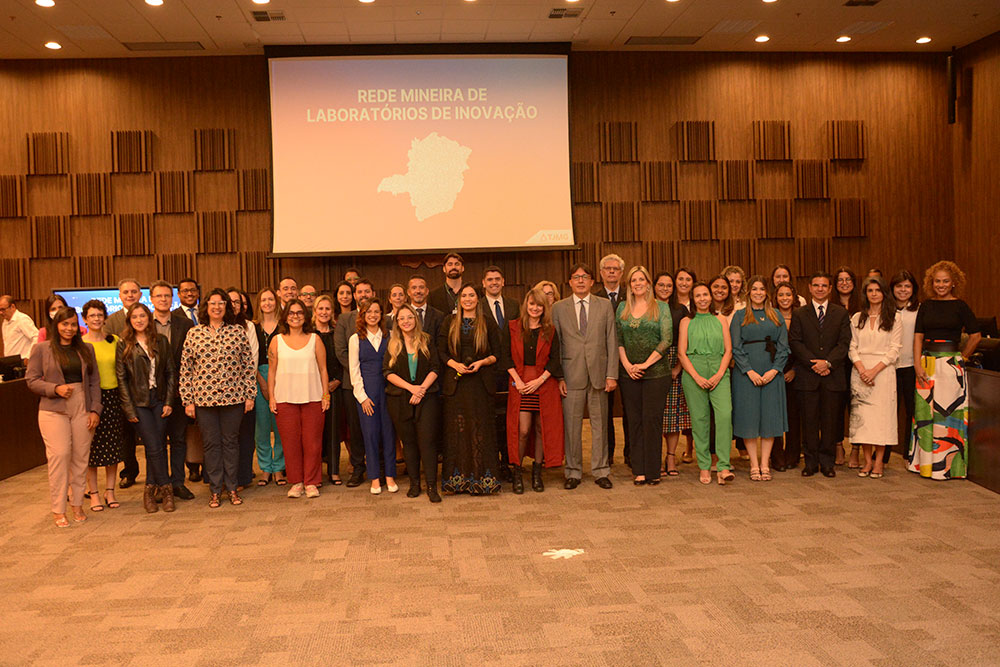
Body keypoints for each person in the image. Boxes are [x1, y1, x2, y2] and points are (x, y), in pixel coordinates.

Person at [179, 288, 256, 508]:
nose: (217, 307)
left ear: (226, 307)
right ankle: (215, 490)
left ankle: (232, 488)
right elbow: (186, 369)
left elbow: (248, 367)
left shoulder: (237, 332)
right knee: (211, 445)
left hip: (234, 398)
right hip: (204, 401)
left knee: (231, 443)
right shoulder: (194, 333)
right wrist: (188, 400)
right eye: (212, 303)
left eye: (221, 303)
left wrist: (250, 395)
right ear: (206, 307)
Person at [26, 306, 102, 527]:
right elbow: (31, 381)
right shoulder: (42, 349)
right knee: (60, 455)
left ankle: (77, 505)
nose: (68, 328)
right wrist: (55, 388)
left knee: (80, 457)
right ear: (56, 325)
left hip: (82, 405)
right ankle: (58, 509)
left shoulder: (86, 348)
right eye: (64, 324)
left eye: (72, 324)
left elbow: (94, 382)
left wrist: (95, 409)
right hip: (53, 408)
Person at [909, 261, 981, 480]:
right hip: (927, 363)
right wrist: (917, 364)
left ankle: (948, 467)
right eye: (937, 281)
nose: (941, 285)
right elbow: (918, 337)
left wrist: (962, 357)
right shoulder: (927, 306)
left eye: (945, 281)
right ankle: (924, 465)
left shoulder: (961, 306)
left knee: (948, 415)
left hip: (951, 366)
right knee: (924, 414)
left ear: (953, 283)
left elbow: (976, 336)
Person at [551, 264, 617, 490]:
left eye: (585, 277)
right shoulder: (558, 308)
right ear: (569, 282)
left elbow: (611, 340)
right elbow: (555, 345)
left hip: (599, 373)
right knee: (572, 426)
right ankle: (573, 471)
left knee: (600, 426)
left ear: (592, 282)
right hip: (570, 374)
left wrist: (611, 374)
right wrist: (559, 377)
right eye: (576, 277)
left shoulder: (605, 306)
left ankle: (600, 470)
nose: (580, 281)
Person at [438, 284, 502, 495]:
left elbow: (497, 354)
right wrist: (454, 365)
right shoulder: (449, 322)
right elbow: (440, 352)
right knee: (457, 430)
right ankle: (458, 480)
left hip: (480, 385)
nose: (467, 299)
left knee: (480, 429)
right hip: (456, 385)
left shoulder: (488, 323)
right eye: (463, 295)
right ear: (459, 300)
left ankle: (482, 479)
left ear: (478, 298)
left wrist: (482, 362)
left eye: (471, 295)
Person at [788, 272, 852, 478]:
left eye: (824, 285)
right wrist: (813, 364)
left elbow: (844, 344)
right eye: (816, 285)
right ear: (809, 287)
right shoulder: (799, 313)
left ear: (830, 288)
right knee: (809, 422)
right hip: (808, 376)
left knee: (830, 421)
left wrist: (828, 363)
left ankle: (827, 462)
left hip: (833, 377)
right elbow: (795, 342)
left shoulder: (840, 313)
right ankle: (810, 462)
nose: (820, 289)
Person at [116, 303, 177, 513]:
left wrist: (169, 401)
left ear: (149, 318)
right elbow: (122, 379)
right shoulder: (124, 344)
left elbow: (170, 373)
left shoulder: (161, 341)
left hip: (159, 399)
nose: (139, 320)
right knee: (153, 445)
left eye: (143, 316)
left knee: (158, 445)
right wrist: (129, 409)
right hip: (138, 402)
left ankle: (151, 489)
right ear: (130, 321)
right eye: (135, 317)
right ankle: (165, 489)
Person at [503, 288, 563, 494]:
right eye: (532, 304)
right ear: (525, 306)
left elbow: (555, 360)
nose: (535, 308)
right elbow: (505, 357)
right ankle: (517, 473)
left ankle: (537, 473)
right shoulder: (512, 327)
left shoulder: (550, 330)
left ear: (543, 308)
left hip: (544, 384)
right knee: (523, 430)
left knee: (541, 429)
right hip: (520, 383)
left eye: (539, 305)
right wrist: (517, 381)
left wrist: (540, 380)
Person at [616, 266, 672, 486]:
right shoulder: (622, 308)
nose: (637, 283)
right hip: (628, 373)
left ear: (648, 283)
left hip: (656, 373)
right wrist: (629, 366)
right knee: (634, 421)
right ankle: (638, 469)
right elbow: (618, 340)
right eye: (633, 280)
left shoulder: (661, 307)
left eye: (641, 279)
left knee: (652, 420)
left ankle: (653, 470)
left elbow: (666, 340)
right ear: (629, 285)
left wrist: (645, 364)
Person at [268, 298, 329, 499]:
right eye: (292, 313)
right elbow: (272, 371)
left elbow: (323, 369)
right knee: (290, 442)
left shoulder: (315, 339)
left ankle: (311, 482)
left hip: (312, 397)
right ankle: (296, 482)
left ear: (306, 316)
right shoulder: (276, 340)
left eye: (300, 313)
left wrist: (325, 394)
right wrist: (272, 396)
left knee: (312, 442)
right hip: (285, 399)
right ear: (285, 317)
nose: (295, 316)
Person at [730, 276, 789, 481]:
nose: (758, 293)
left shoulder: (776, 315)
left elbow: (784, 347)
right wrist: (749, 371)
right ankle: (754, 464)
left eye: (761, 289)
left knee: (770, 419)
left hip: (772, 373)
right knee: (749, 417)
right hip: (746, 374)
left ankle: (765, 463)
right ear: (749, 292)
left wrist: (775, 370)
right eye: (754, 289)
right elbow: (735, 348)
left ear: (767, 292)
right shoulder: (739, 316)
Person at [384, 303, 442, 502]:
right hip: (400, 399)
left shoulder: (427, 340)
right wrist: (412, 389)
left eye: (409, 317)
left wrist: (422, 389)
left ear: (415, 320)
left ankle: (432, 486)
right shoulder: (392, 344)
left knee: (427, 442)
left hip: (427, 398)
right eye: (401, 319)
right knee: (408, 443)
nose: (406, 321)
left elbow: (436, 367)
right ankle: (415, 484)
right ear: (396, 322)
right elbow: (387, 372)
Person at [679, 284, 734, 486]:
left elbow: (729, 350)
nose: (702, 298)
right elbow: (681, 353)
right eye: (698, 295)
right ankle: (704, 465)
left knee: (724, 415)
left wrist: (719, 374)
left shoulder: (720, 320)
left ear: (711, 297)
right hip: (694, 371)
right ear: (693, 299)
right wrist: (696, 376)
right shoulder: (686, 321)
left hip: (719, 369)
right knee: (700, 419)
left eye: (705, 294)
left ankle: (723, 465)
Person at [849, 277, 902, 479]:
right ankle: (867, 461)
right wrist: (862, 368)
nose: (873, 294)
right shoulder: (856, 318)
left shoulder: (894, 318)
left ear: (884, 294)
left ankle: (879, 461)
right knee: (865, 421)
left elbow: (894, 350)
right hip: (860, 371)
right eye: (870, 290)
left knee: (881, 420)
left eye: (877, 290)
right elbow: (851, 346)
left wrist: (873, 371)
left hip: (883, 372)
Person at [149, 281, 195, 501]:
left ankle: (178, 483)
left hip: (178, 392)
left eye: (167, 296)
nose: (163, 300)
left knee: (178, 440)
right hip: (153, 394)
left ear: (172, 298)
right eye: (159, 296)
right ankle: (160, 484)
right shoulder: (143, 323)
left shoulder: (185, 324)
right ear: (151, 299)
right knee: (156, 442)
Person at [350, 298, 397, 494]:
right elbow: (354, 371)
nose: (373, 315)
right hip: (367, 393)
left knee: (389, 434)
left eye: (376, 312)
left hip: (388, 391)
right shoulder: (355, 339)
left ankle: (390, 476)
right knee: (370, 435)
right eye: (368, 312)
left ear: (382, 315)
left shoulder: (392, 335)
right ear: (362, 314)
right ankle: (375, 478)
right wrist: (362, 397)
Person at [80, 300, 123, 511]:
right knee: (92, 448)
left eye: (99, 315)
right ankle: (94, 493)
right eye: (92, 315)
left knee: (112, 448)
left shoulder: (114, 340)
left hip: (114, 398)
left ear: (105, 317)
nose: (96, 319)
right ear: (85, 319)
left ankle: (110, 491)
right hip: (91, 400)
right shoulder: (81, 344)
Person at [334, 278, 376, 486]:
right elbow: (341, 352)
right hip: (351, 385)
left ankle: (379, 466)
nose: (363, 295)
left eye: (367, 291)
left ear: (373, 293)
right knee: (356, 428)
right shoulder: (344, 319)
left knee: (378, 425)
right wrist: (359, 373)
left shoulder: (382, 319)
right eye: (359, 292)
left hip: (378, 383)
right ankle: (358, 468)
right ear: (355, 295)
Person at [595, 253, 629, 467]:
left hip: (628, 362)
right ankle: (606, 455)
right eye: (607, 268)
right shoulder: (594, 298)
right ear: (601, 273)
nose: (611, 272)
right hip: (603, 362)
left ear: (622, 273)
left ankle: (630, 454)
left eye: (615, 269)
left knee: (630, 410)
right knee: (604, 412)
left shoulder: (632, 295)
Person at [655, 271, 690, 476]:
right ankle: (656, 455)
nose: (665, 288)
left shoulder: (680, 310)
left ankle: (670, 458)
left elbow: (685, 341)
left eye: (669, 285)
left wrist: (678, 367)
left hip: (675, 363)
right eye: (661, 285)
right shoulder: (647, 308)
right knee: (655, 413)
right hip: (652, 363)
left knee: (672, 416)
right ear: (654, 286)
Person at [227, 286, 260, 490]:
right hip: (222, 391)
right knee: (228, 437)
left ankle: (243, 476)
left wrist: (246, 386)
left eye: (237, 302)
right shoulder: (214, 326)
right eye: (229, 302)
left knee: (245, 435)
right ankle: (226, 477)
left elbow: (253, 358)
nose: (233, 305)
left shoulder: (248, 326)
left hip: (245, 388)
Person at [253, 287, 285, 486]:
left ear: (276, 302)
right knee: (262, 427)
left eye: (271, 299)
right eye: (263, 300)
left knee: (281, 425)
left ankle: (279, 468)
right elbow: (249, 358)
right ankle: (265, 469)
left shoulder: (284, 325)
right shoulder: (252, 327)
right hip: (258, 377)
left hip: (282, 376)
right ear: (259, 304)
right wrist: (262, 381)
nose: (267, 303)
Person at [770, 281, 802, 471]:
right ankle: (776, 457)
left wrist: (794, 370)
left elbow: (807, 346)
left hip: (796, 372)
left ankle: (792, 455)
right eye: (781, 295)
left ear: (794, 297)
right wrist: (775, 371)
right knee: (774, 416)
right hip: (774, 371)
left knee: (793, 416)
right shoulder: (770, 317)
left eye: (788, 295)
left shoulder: (801, 317)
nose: (784, 298)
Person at [312, 294, 343, 485]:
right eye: (320, 309)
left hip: (334, 387)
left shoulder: (337, 333)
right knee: (314, 432)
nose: (324, 312)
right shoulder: (308, 334)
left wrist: (338, 380)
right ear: (314, 311)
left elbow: (344, 359)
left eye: (327, 309)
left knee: (333, 431)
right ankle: (316, 473)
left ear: (332, 312)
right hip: (312, 389)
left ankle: (334, 471)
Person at [890, 270, 920, 462]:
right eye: (899, 286)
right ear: (892, 289)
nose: (903, 290)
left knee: (912, 410)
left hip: (911, 366)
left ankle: (910, 453)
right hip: (889, 367)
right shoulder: (886, 309)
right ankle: (883, 454)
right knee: (889, 410)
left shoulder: (920, 310)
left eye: (907, 286)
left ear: (913, 289)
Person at [833, 266, 861, 467]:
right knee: (836, 408)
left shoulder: (863, 306)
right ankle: (838, 447)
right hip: (837, 364)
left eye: (848, 279)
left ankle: (856, 450)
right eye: (840, 279)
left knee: (857, 409)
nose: (844, 283)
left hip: (859, 364)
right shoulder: (830, 306)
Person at [673, 267, 697, 465]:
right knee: (674, 407)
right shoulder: (669, 304)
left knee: (691, 407)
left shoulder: (698, 301)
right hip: (675, 358)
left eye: (688, 279)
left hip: (694, 359)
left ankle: (690, 447)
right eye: (680, 279)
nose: (683, 283)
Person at [0, 295, 39, 359]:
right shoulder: (5, 322)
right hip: (10, 362)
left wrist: (28, 356)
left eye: (3, 309)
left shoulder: (22, 319)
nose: (1, 312)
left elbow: (36, 337)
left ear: (12, 307)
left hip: (22, 362)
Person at [407, 274, 444, 341]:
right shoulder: (401, 316)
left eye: (421, 287)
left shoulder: (439, 316)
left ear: (427, 291)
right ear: (408, 292)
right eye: (414, 288)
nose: (418, 291)